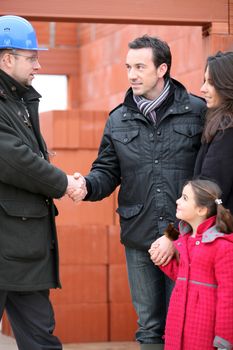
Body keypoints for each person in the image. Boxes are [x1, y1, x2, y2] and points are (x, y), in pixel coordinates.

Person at [68, 35, 206, 349]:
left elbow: (208, 178)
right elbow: (106, 170)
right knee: (149, 327)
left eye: (140, 67)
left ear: (162, 69)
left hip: (185, 236)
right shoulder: (118, 119)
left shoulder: (197, 111)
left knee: (183, 321)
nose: (131, 74)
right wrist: (86, 185)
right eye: (128, 66)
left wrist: (173, 234)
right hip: (140, 236)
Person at [0, 15, 86, 350]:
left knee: (40, 337)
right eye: (31, 57)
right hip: (10, 243)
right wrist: (64, 183)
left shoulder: (18, 100)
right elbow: (13, 158)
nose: (38, 64)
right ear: (7, 59)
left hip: (20, 248)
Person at [149, 179, 233, 350]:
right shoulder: (184, 239)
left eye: (185, 198)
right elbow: (186, 276)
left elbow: (229, 297)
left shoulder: (222, 246)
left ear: (201, 209)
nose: (178, 201)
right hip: (177, 326)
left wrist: (224, 339)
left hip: (204, 331)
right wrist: (161, 260)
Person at [193, 51, 233, 213]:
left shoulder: (227, 128)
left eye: (211, 82)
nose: (203, 89)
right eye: (204, 81)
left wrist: (172, 234)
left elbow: (208, 192)